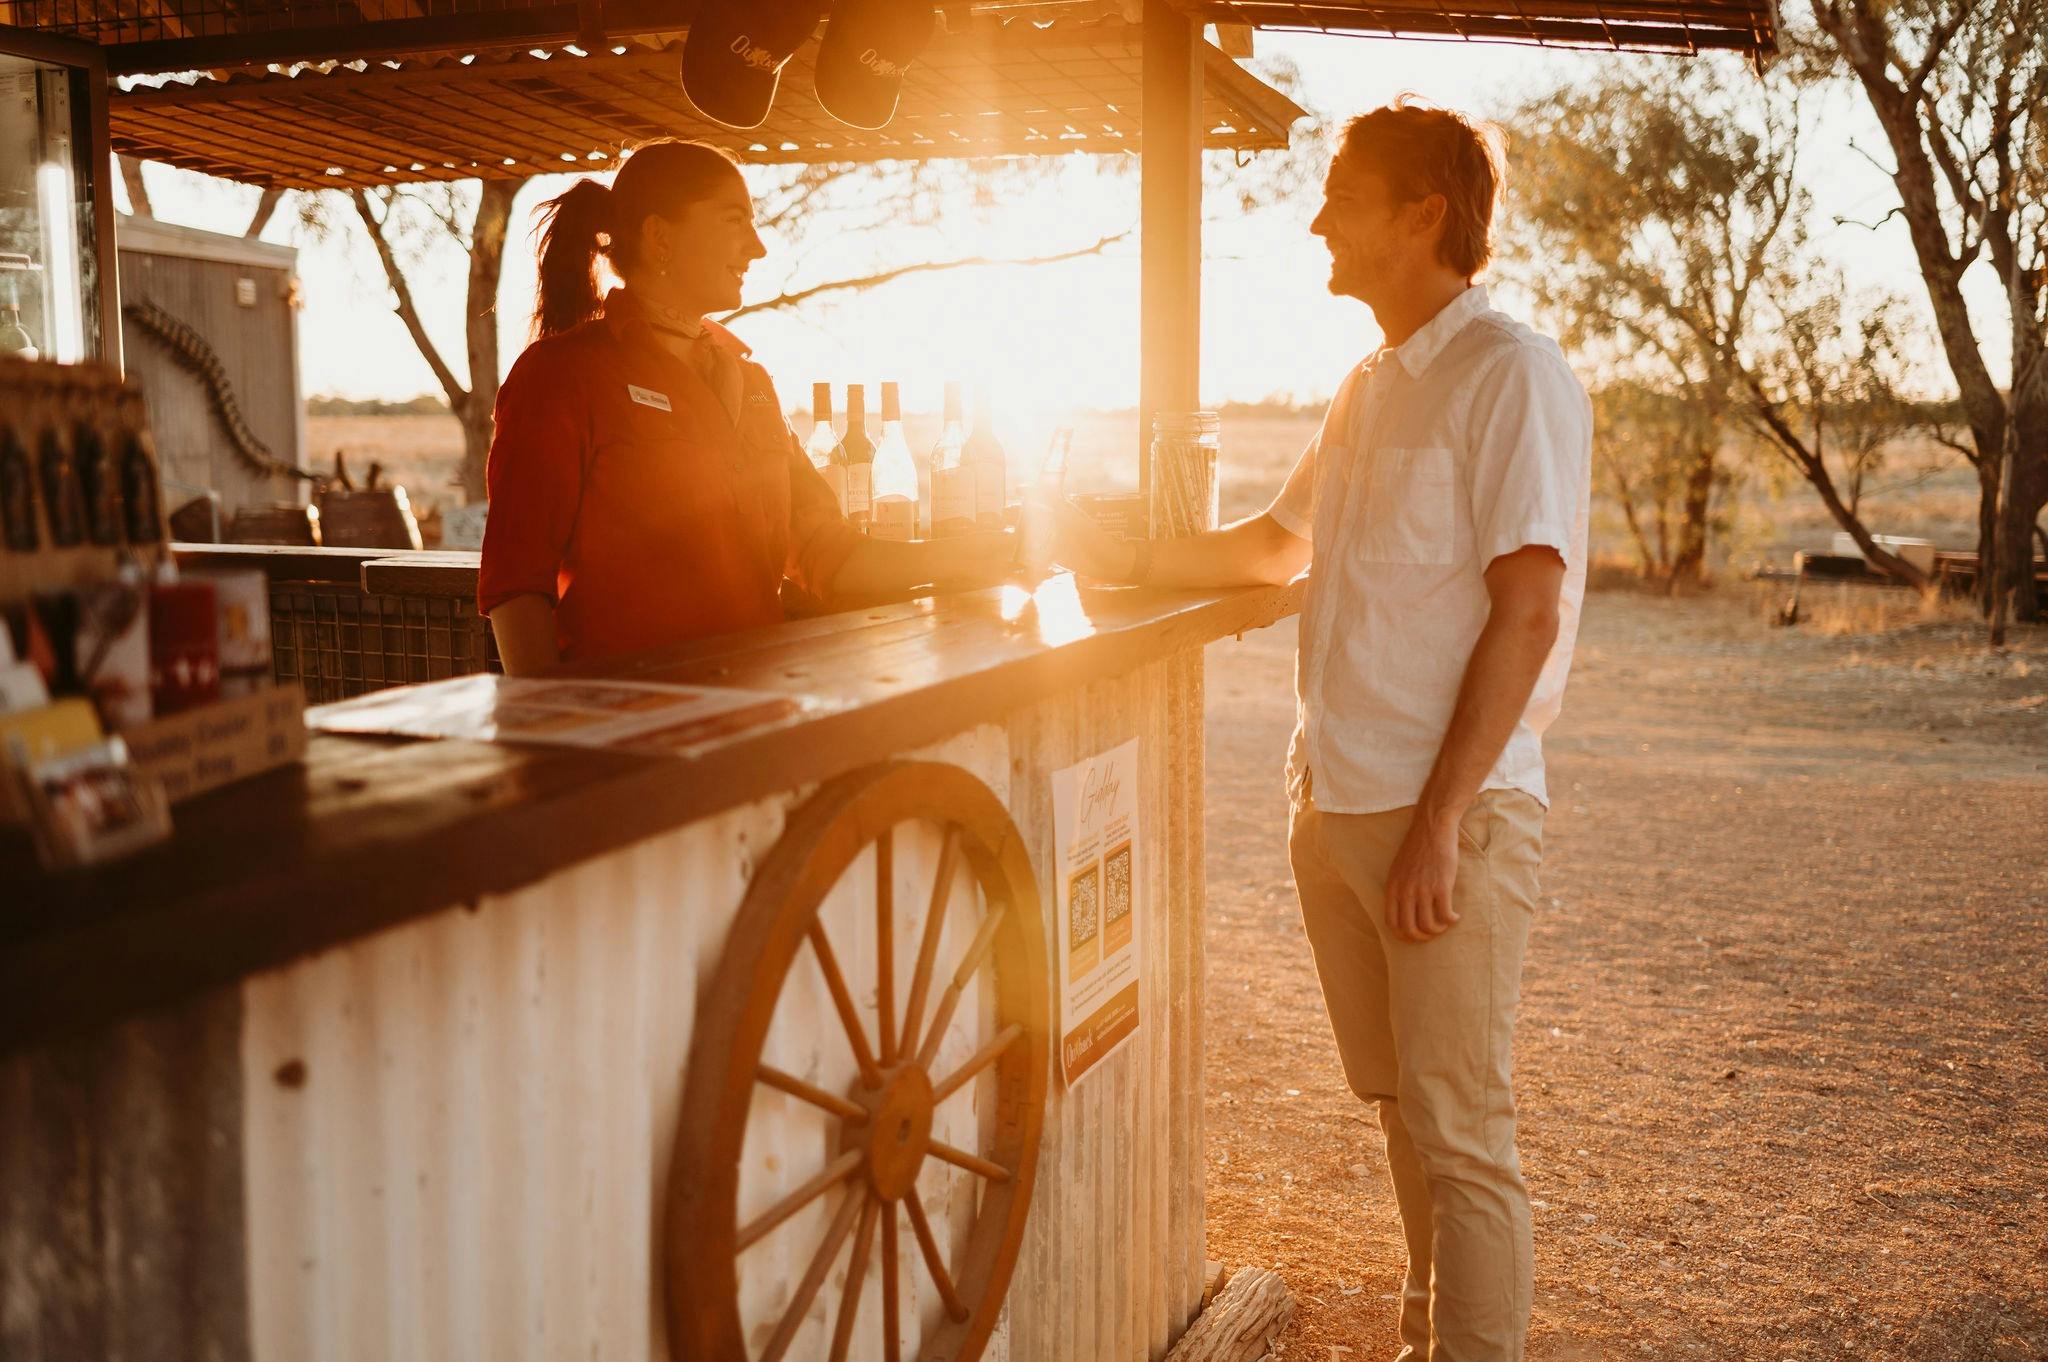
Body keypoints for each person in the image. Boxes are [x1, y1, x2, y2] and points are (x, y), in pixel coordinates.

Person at [1047, 98, 1591, 1361]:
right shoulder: (1364, 387)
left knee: (1462, 1129)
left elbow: (1525, 613)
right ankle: (1423, 1340)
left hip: (1442, 821)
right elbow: (1270, 545)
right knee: (1404, 1112)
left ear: (1424, 214)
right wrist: (1111, 549)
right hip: (1335, 806)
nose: (1315, 220)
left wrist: (1441, 826)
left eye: (1342, 196)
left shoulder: (1510, 373)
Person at [479, 139, 1014, 673]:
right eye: (735, 221)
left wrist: (998, 551)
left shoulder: (751, 381)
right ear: (661, 236)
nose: (757, 248)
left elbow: (828, 553)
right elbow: (516, 584)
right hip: (629, 726)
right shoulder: (560, 375)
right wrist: (550, 731)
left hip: (758, 711)